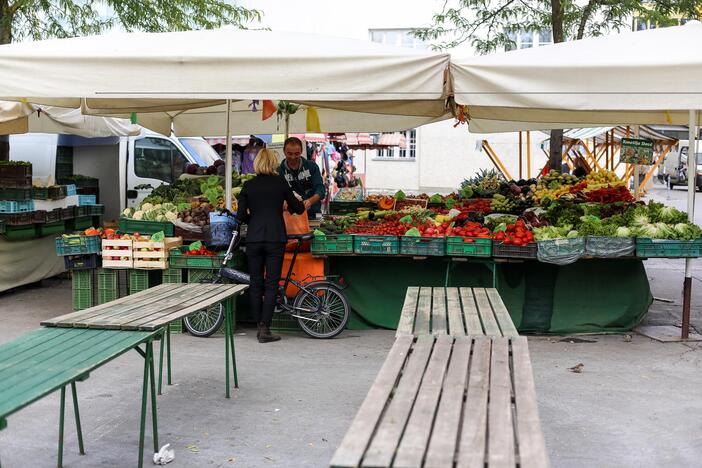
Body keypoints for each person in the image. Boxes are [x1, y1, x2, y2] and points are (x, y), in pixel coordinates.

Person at [236, 148, 305, 343]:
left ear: (257, 163)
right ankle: (265, 327)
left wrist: (254, 219)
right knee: (272, 283)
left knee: (256, 283)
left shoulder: (248, 186)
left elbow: (240, 216)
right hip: (276, 238)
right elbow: (297, 208)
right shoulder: (280, 183)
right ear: (274, 162)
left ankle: (258, 324)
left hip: (254, 239)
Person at [278, 136, 326, 218]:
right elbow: (276, 193)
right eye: (289, 153)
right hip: (290, 216)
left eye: (296, 154)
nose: (293, 157)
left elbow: (321, 190)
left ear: (301, 151)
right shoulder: (278, 171)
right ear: (284, 151)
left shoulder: (312, 166)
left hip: (312, 214)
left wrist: (310, 201)